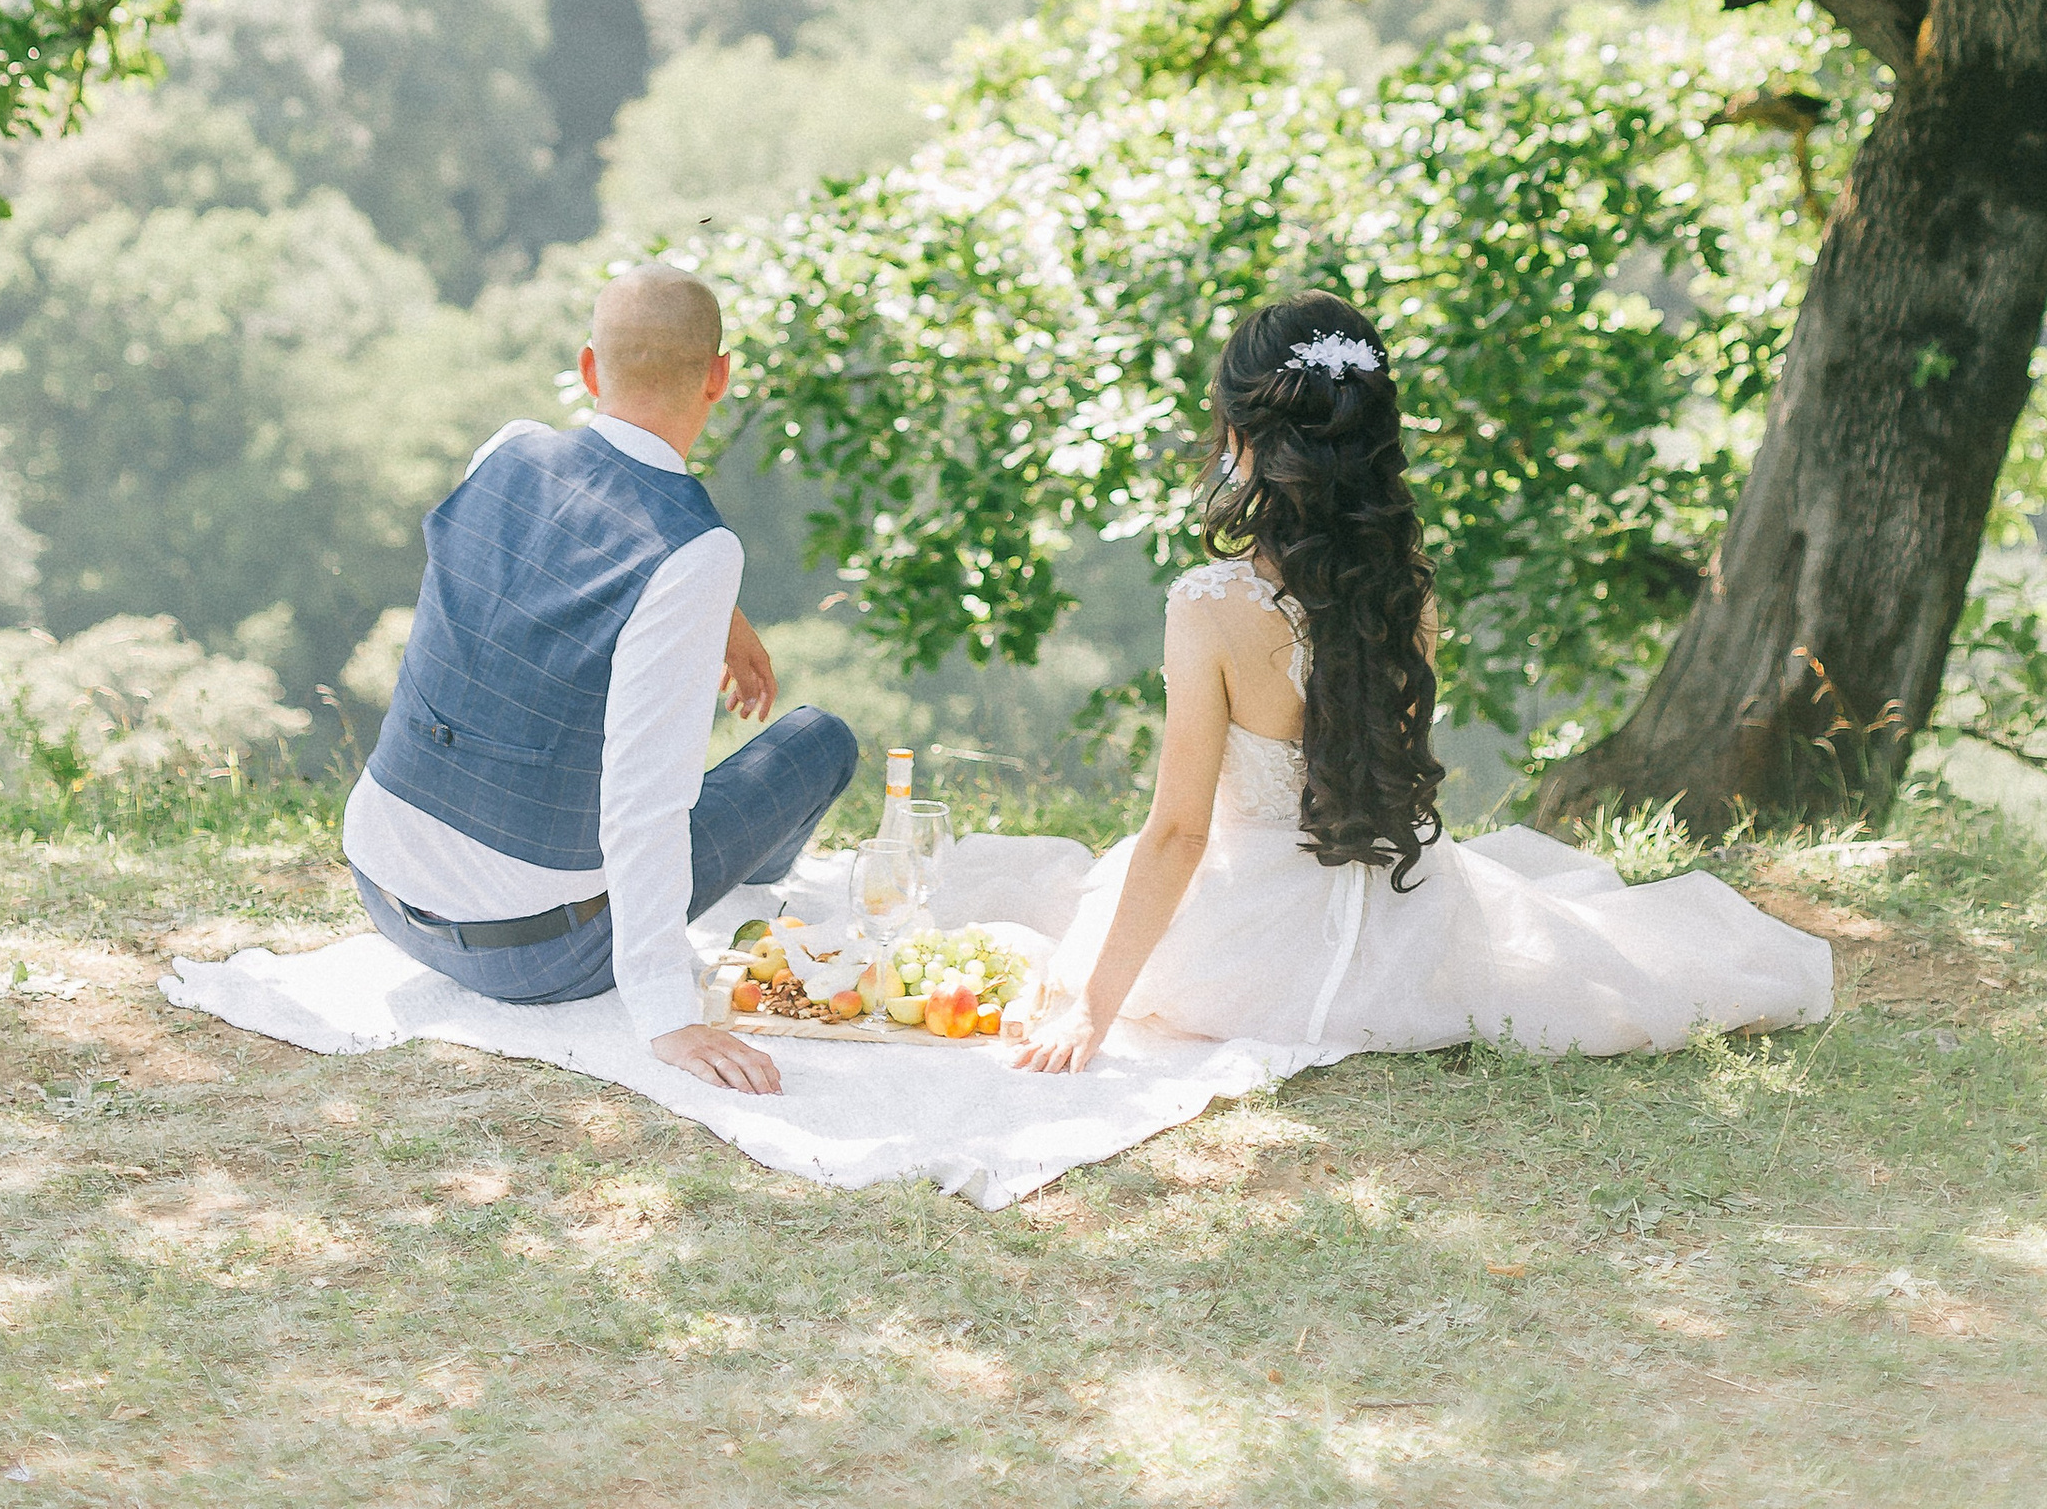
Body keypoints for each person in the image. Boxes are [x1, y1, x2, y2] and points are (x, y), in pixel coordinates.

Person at [1013, 292, 1831, 1069]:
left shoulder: (1208, 606)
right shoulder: (1406, 587)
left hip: (1250, 933)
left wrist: (1093, 1005)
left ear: (1242, 435)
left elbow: (1180, 835)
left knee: (1073, 907)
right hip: (1405, 900)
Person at [344, 264, 856, 1098]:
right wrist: (668, 1013)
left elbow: (557, 559)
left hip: (382, 890)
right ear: (718, 378)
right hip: (533, 954)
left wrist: (714, 611)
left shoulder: (506, 453)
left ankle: (749, 883)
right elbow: (643, 802)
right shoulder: (694, 551)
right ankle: (758, 884)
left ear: (588, 369)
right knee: (818, 742)